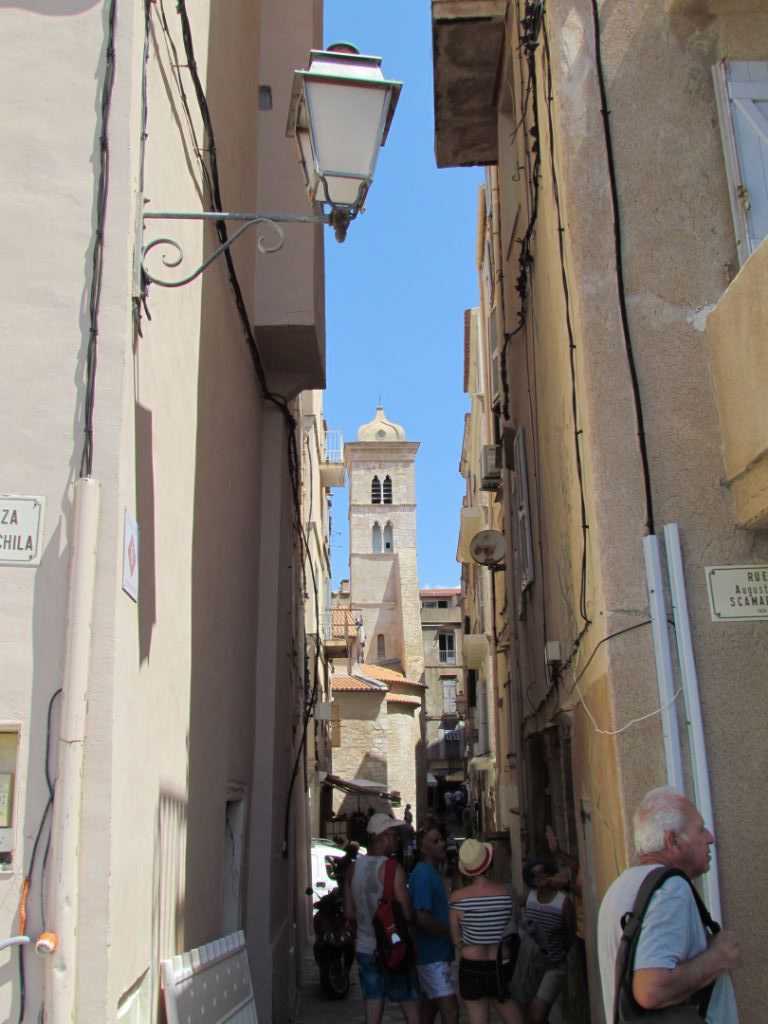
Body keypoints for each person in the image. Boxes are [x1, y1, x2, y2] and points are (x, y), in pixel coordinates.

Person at [597, 786, 743, 1023]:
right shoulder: (670, 890)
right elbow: (650, 989)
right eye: (700, 829)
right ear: (673, 841)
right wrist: (719, 956)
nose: (710, 838)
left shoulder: (620, 888)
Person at [343, 812, 421, 1024]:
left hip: (365, 948)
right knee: (410, 1008)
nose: (397, 839)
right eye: (394, 835)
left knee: (372, 1008)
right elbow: (407, 913)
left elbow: (349, 913)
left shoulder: (353, 868)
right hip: (394, 948)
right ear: (383, 837)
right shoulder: (392, 869)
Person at [448, 838, 524, 1024]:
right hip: (501, 964)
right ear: (489, 863)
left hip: (471, 965)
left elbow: (456, 939)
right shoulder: (507, 893)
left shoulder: (457, 898)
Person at [409, 828, 460, 1024]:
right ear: (423, 849)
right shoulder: (423, 875)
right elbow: (421, 917)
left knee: (428, 1011)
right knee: (451, 1011)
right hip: (432, 956)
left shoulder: (432, 873)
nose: (442, 844)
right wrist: (451, 933)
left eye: (442, 840)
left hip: (435, 954)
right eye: (435, 841)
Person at [521, 857, 575, 1023]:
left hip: (552, 966)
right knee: (532, 1014)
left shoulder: (563, 901)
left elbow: (570, 933)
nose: (540, 876)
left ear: (551, 874)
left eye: (543, 872)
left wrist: (560, 954)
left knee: (537, 1014)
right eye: (535, 874)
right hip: (529, 967)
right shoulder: (527, 898)